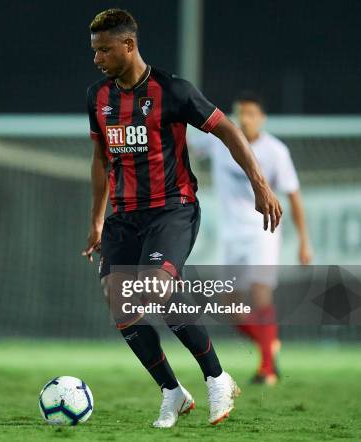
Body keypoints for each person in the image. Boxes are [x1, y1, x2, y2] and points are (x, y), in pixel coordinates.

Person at [82, 9, 282, 427]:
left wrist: (259, 184)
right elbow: (101, 157)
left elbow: (227, 129)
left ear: (129, 45)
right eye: (94, 51)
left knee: (155, 288)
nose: (97, 58)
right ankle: (172, 392)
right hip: (123, 217)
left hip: (172, 210)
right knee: (120, 304)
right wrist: (97, 219)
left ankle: (217, 377)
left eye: (104, 50)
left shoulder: (172, 90)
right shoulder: (97, 98)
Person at [188, 92, 312, 385]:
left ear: (262, 118)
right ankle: (269, 343)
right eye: (240, 113)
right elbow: (186, 137)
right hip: (232, 235)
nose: (245, 119)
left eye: (251, 114)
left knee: (260, 296)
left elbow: (293, 196)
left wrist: (305, 241)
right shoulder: (220, 140)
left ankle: (267, 369)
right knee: (229, 308)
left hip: (263, 231)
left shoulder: (275, 151)